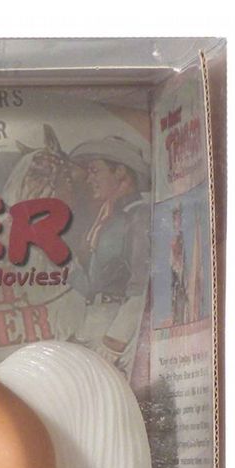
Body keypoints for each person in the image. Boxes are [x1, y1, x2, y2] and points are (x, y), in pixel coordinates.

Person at [60, 136, 151, 369]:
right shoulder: (106, 219)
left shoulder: (139, 217)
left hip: (115, 331)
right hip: (90, 325)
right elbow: (92, 283)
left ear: (120, 172)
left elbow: (142, 288)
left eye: (95, 171)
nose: (89, 179)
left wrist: (113, 343)